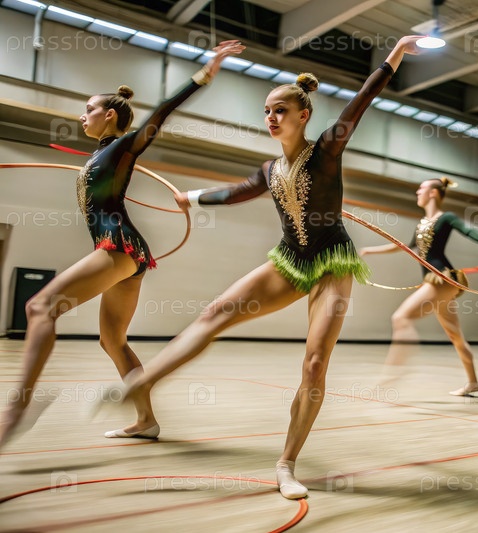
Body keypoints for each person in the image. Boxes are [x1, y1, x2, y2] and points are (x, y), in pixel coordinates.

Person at [101, 36, 426, 500]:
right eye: (267, 111)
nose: (271, 117)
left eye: (280, 110)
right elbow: (236, 192)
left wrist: (395, 53)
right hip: (290, 259)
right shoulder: (270, 169)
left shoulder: (327, 149)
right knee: (214, 314)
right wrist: (192, 197)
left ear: (303, 115)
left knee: (315, 363)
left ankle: (286, 464)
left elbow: (363, 99)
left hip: (332, 261)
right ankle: (141, 382)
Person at [0, 41, 245, 449]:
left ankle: (17, 409)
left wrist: (205, 73)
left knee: (39, 308)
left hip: (118, 246)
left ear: (109, 114)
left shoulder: (122, 147)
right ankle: (146, 421)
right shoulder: (101, 155)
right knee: (112, 340)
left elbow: (162, 111)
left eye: (89, 109)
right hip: (126, 251)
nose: (82, 116)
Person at [359, 177, 478, 396]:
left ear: (434, 193)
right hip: (439, 282)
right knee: (456, 336)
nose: (418, 192)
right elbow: (406, 247)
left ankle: (395, 372)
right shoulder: (422, 223)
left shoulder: (446, 218)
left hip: (440, 278)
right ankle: (473, 382)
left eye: (422, 188)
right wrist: (371, 250)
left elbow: (468, 231)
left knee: (400, 318)